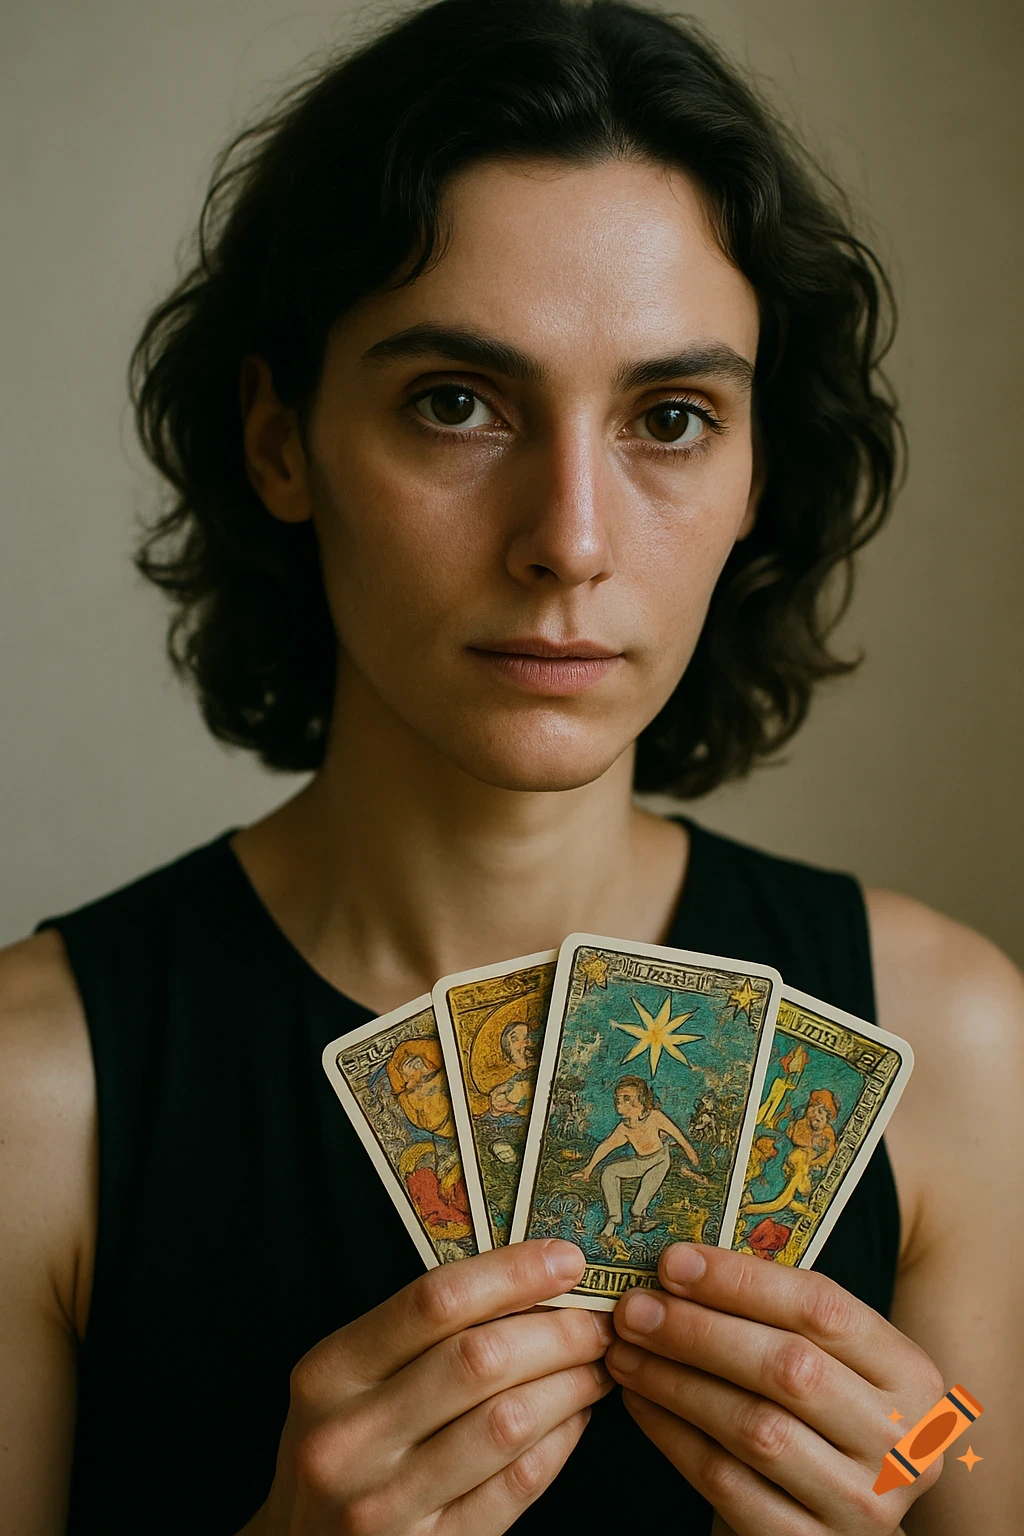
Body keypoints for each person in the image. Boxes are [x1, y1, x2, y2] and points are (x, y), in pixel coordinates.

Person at [1, 1, 1020, 1533]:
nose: (571, 540)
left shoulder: (954, 1040)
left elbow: (966, 1460)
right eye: (457, 404)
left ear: (758, 472)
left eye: (671, 417)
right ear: (279, 440)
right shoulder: (31, 1098)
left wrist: (906, 1462)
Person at [571, 1075, 700, 1238]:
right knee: (609, 1172)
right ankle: (613, 1220)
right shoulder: (624, 1128)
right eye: (618, 1098)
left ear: (640, 1101)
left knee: (637, 1207)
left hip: (659, 1161)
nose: (619, 1102)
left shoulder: (655, 1117)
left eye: (626, 1098)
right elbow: (607, 1145)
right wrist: (588, 1169)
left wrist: (690, 1152)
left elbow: (677, 1134)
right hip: (640, 1162)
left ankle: (639, 1219)